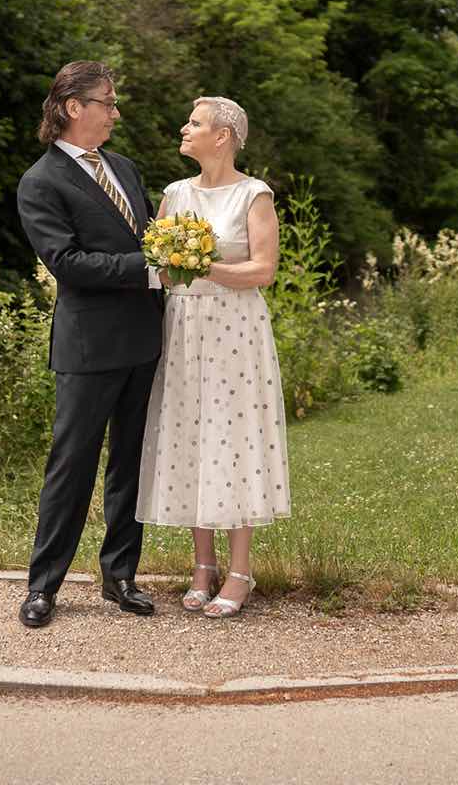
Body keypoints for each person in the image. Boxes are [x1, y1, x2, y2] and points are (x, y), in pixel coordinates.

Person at [14, 60, 164, 628]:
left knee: (129, 462)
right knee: (71, 465)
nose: (115, 112)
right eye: (107, 102)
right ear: (74, 107)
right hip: (87, 346)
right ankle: (43, 586)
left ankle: (121, 576)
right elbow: (67, 263)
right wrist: (150, 268)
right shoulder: (41, 181)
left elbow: (149, 234)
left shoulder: (124, 167)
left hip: (144, 339)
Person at [135, 96, 290, 618]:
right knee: (191, 434)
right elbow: (155, 262)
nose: (185, 128)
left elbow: (263, 270)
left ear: (222, 136)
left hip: (235, 329)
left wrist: (205, 268)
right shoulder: (175, 194)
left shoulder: (255, 194)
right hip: (183, 326)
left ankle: (241, 570)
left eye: (195, 123)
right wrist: (174, 267)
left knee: (233, 434)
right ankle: (202, 565)